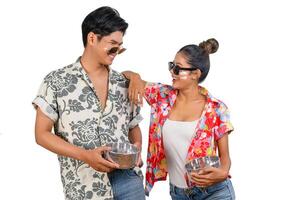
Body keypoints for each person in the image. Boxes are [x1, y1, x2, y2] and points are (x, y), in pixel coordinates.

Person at [32, 6, 145, 200]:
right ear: (92, 38)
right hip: (84, 187)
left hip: (128, 182)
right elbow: (41, 134)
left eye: (120, 46)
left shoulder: (123, 83)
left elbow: (133, 126)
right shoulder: (56, 81)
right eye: (112, 44)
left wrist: (137, 149)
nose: (117, 51)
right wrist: (85, 155)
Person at [123, 38, 235, 199]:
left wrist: (224, 171)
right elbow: (124, 76)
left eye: (177, 69)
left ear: (195, 74)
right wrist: (135, 76)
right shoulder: (162, 95)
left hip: (214, 192)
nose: (171, 72)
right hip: (179, 193)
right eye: (171, 65)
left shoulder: (216, 109)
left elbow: (225, 157)